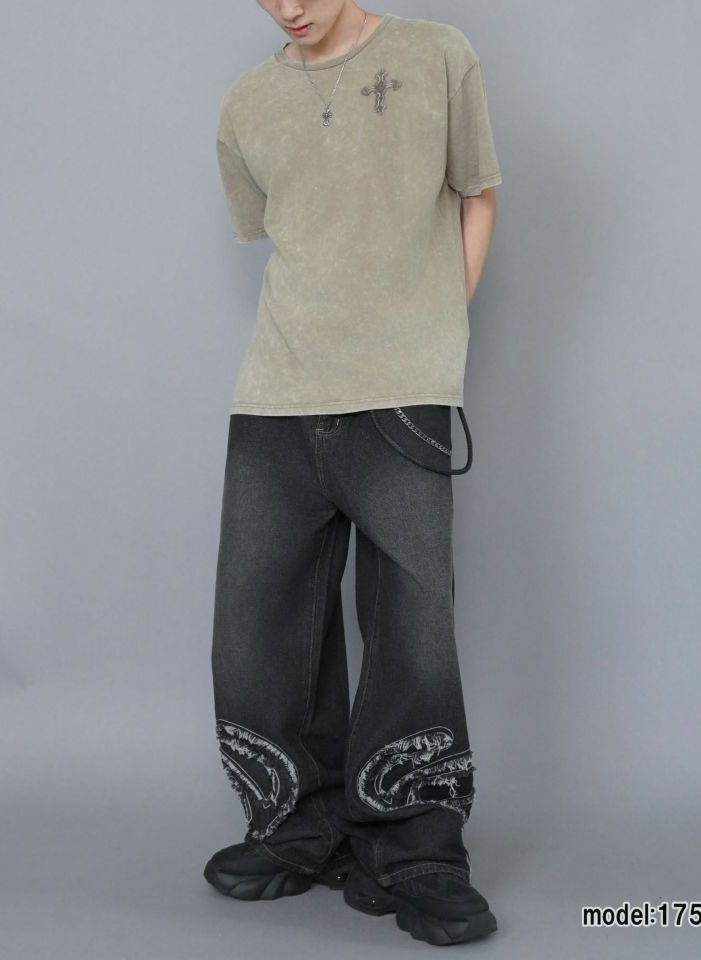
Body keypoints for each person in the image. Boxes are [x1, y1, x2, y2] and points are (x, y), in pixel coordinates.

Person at [204, 0, 502, 946]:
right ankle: (298, 827)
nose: (287, 6)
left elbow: (480, 194)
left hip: (402, 397)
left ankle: (416, 852)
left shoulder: (439, 55)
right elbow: (289, 239)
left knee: (414, 626)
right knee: (254, 627)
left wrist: (435, 332)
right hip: (276, 394)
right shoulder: (246, 104)